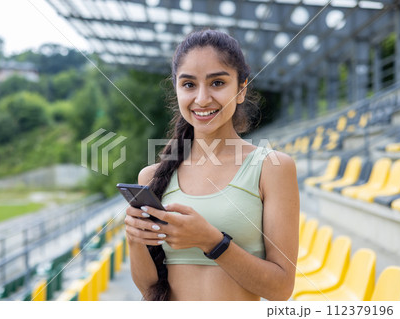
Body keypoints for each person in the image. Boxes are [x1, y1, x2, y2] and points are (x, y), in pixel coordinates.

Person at [124, 29, 300, 301]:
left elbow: (281, 288)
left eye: (217, 83)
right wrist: (135, 239)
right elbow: (150, 289)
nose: (202, 99)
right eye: (189, 84)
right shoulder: (152, 176)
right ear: (177, 89)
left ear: (241, 89)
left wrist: (211, 241)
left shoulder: (273, 167)